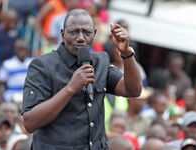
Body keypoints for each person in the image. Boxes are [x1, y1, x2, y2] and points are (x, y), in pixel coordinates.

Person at [22, 9, 142, 149]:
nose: (80, 37)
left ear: (94, 34)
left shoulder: (100, 62)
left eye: (87, 32)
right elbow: (30, 123)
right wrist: (70, 88)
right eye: (74, 32)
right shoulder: (42, 66)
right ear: (62, 34)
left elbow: (133, 90)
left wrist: (126, 53)